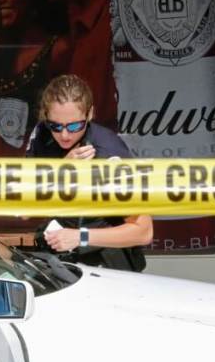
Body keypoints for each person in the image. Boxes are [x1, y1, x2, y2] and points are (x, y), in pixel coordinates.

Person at [26, 74, 152, 271]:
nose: (64, 135)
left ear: (90, 114)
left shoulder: (108, 156)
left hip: (108, 263)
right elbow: (24, 210)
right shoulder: (42, 135)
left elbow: (143, 231)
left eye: (75, 126)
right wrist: (61, 171)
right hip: (61, 255)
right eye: (56, 126)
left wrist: (80, 237)